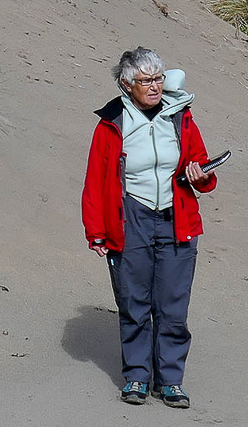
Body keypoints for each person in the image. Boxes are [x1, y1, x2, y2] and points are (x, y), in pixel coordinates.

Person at [81, 47, 217, 408]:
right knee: (134, 302)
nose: (154, 86)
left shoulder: (181, 118)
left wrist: (200, 175)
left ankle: (170, 380)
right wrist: (95, 231)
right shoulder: (112, 123)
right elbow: (95, 182)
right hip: (131, 218)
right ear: (127, 85)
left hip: (177, 219)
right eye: (145, 81)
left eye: (158, 78)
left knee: (173, 305)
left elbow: (202, 170)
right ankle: (138, 378)